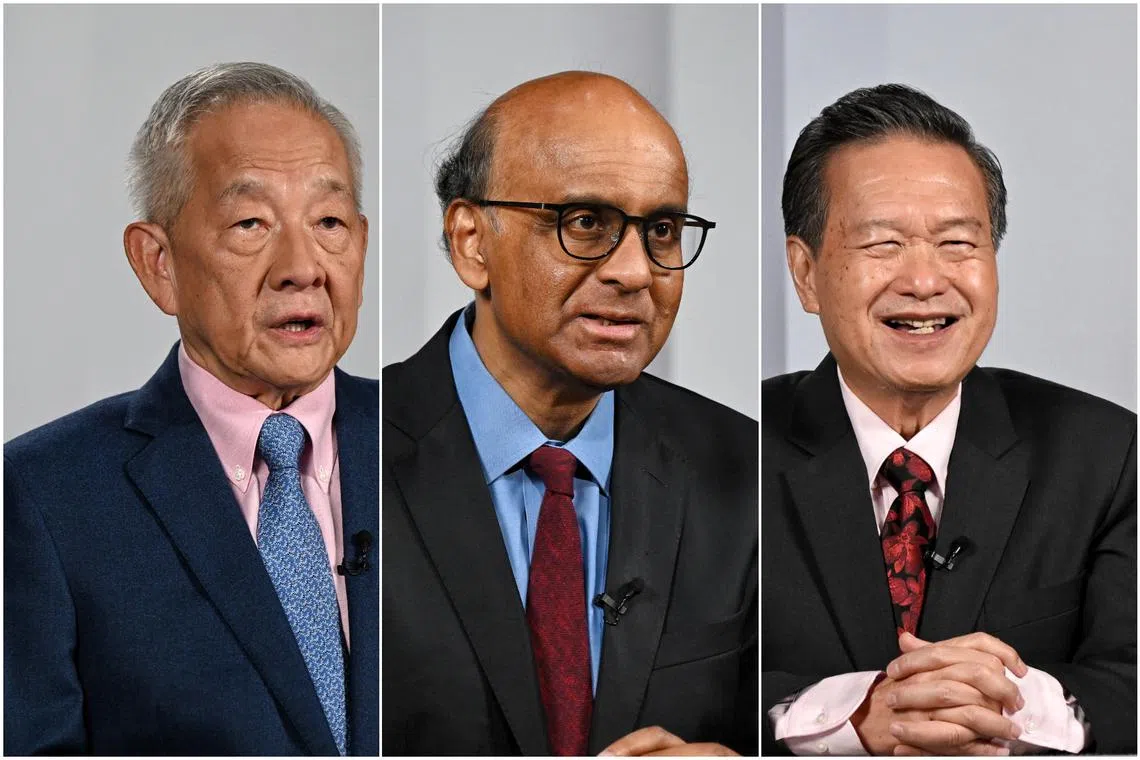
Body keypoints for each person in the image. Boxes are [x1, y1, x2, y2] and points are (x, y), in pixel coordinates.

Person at [4, 62, 377, 755]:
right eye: (251, 222)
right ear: (158, 264)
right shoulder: (44, 496)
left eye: (328, 221)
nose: (303, 266)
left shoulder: (435, 442)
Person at [382, 71, 757, 756]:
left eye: (663, 230)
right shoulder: (344, 456)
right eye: (587, 223)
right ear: (472, 241)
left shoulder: (748, 469)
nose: (636, 272)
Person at [763, 83, 1135, 755]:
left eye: (959, 242)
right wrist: (850, 715)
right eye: (883, 244)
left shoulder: (1107, 456)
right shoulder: (730, 451)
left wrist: (1009, 701)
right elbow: (670, 688)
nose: (927, 281)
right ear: (806, 273)